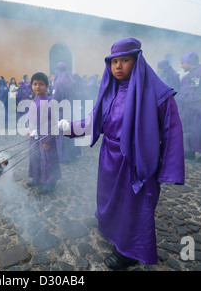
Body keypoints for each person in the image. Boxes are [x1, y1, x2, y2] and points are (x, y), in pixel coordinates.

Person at [59, 38, 185, 269]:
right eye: (113, 61)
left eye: (124, 60)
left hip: (135, 161)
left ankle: (130, 251)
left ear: (137, 61)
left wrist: (169, 169)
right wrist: (69, 127)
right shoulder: (110, 91)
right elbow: (94, 120)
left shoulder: (158, 95)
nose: (117, 66)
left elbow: (172, 132)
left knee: (134, 207)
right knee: (112, 201)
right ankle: (116, 236)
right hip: (109, 157)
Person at [27, 72, 61, 194]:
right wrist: (29, 128)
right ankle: (37, 179)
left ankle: (49, 183)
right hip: (35, 137)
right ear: (31, 85)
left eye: (41, 84)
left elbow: (52, 123)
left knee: (47, 161)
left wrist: (48, 140)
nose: (37, 87)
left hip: (46, 138)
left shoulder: (48, 102)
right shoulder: (35, 99)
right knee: (35, 159)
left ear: (46, 86)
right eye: (35, 84)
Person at [51, 62, 81, 163]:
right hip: (72, 111)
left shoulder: (58, 83)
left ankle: (64, 157)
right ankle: (73, 154)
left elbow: (55, 99)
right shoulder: (72, 81)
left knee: (62, 136)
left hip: (62, 112)